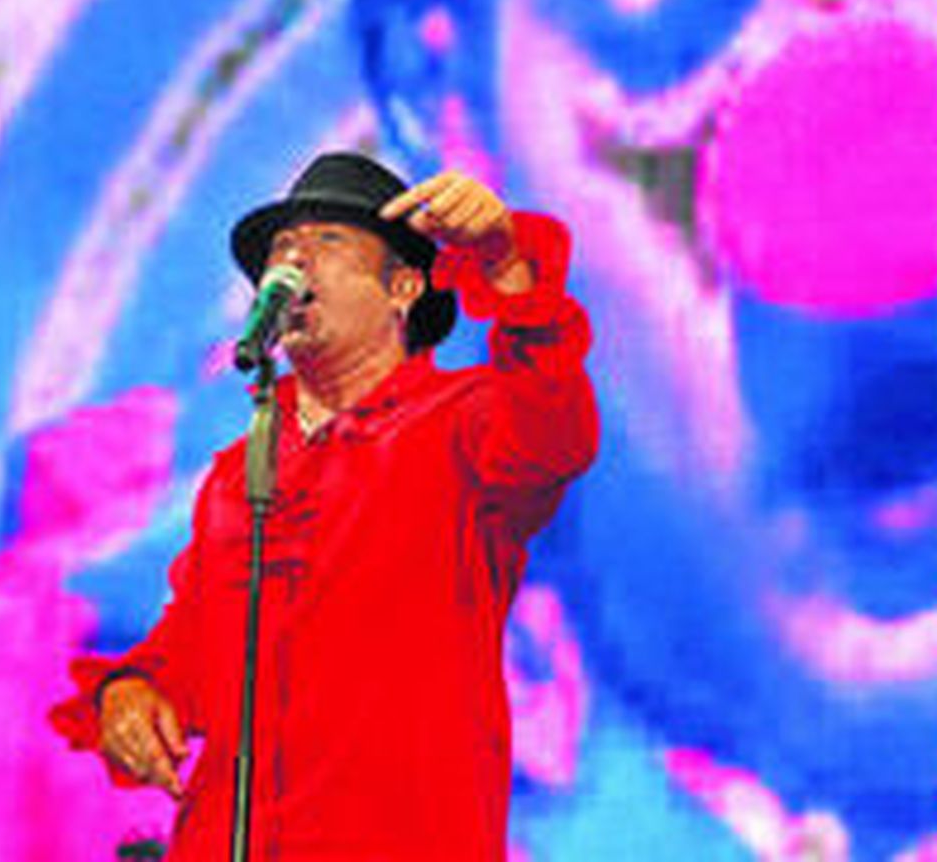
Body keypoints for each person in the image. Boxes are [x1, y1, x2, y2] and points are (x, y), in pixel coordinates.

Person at [47, 150, 600, 861]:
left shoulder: (463, 422)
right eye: (282, 247)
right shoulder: (239, 472)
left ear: (402, 287)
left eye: (328, 240)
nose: (294, 258)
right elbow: (195, 647)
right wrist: (132, 692)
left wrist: (509, 270)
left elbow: (554, 430)